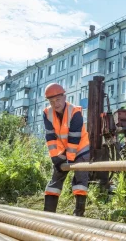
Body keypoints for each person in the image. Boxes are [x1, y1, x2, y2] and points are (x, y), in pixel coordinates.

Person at [43, 83, 90, 217]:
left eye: (58, 100)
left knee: (80, 181)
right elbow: (50, 137)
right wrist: (55, 158)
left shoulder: (75, 112)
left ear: (65, 97)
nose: (55, 104)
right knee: (55, 181)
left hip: (81, 149)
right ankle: (48, 215)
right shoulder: (47, 113)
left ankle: (78, 215)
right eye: (51, 101)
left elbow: (74, 138)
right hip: (63, 151)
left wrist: (69, 159)